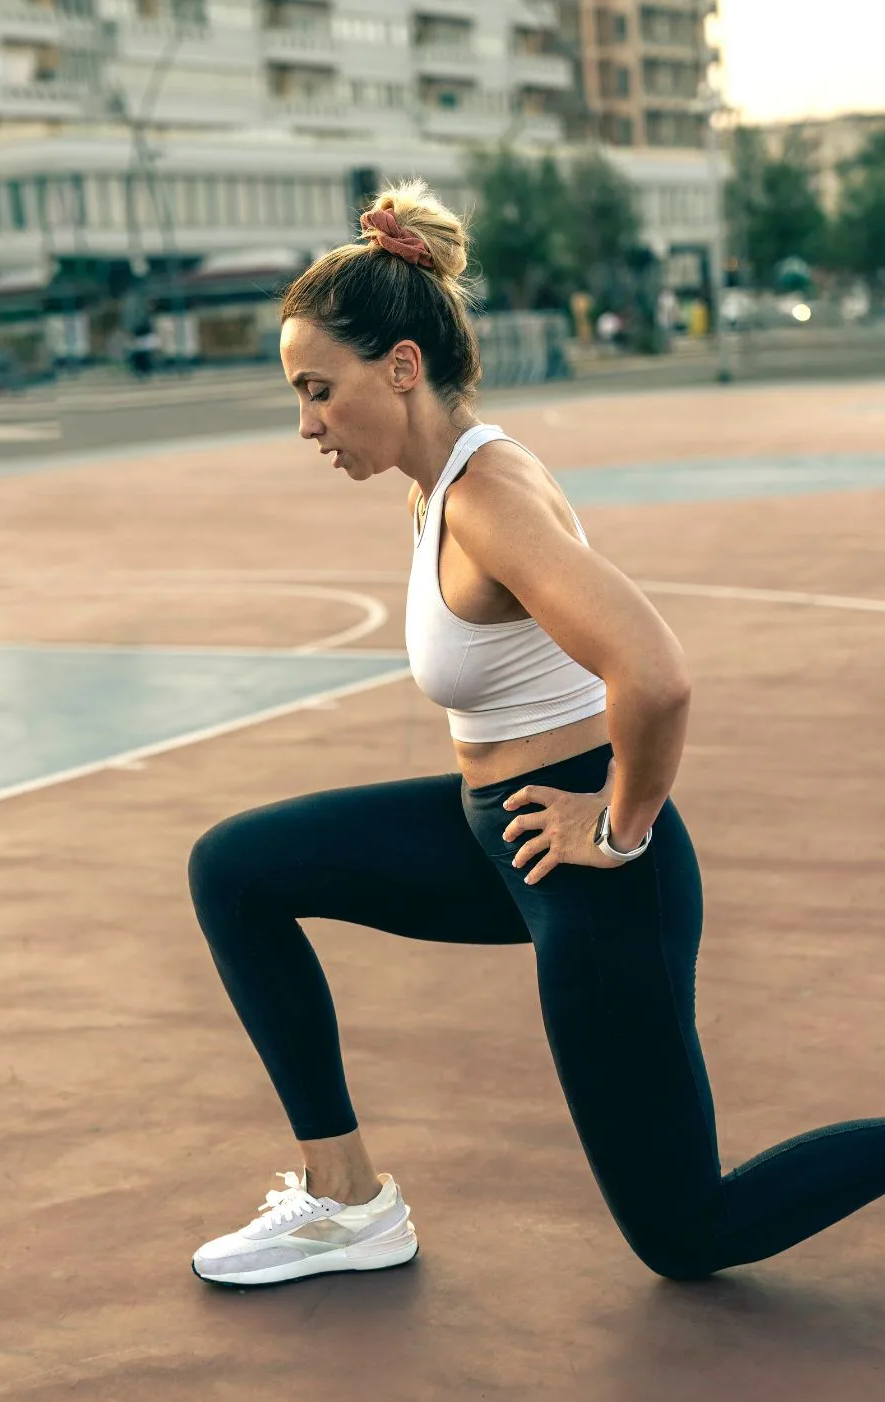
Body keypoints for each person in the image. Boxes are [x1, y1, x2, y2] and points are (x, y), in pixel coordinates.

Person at [187, 180, 885, 1288]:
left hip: (594, 876)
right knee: (237, 868)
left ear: (401, 367)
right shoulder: (432, 486)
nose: (307, 424)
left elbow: (653, 675)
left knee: (686, 1238)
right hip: (500, 840)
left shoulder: (487, 494)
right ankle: (343, 1201)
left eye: (319, 392)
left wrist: (617, 825)